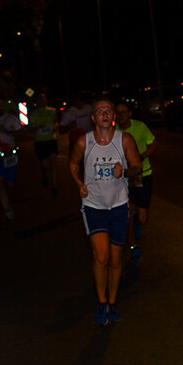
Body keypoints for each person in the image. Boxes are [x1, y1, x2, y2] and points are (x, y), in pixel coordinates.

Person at [70, 97, 142, 326]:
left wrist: (125, 172)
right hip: (93, 206)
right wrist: (79, 183)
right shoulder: (84, 142)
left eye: (108, 111)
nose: (104, 114)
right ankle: (101, 303)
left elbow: (138, 168)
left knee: (116, 257)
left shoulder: (125, 140)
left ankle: (112, 301)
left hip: (118, 205)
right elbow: (73, 164)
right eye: (100, 111)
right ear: (93, 118)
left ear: (114, 117)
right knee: (101, 257)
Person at [116, 101, 158, 264]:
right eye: (118, 113)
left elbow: (153, 143)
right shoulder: (114, 131)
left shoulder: (140, 127)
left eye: (124, 112)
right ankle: (133, 245)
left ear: (130, 113)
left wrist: (142, 156)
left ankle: (136, 220)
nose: (121, 115)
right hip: (123, 176)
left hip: (141, 173)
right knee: (125, 212)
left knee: (142, 218)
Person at [30, 92, 60, 195]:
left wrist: (55, 126)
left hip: (51, 139)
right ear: (37, 101)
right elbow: (30, 127)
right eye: (40, 99)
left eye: (44, 98)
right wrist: (38, 127)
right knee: (44, 166)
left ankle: (54, 187)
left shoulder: (52, 110)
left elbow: (56, 121)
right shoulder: (34, 113)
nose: (42, 100)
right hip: (40, 141)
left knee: (52, 163)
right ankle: (44, 176)